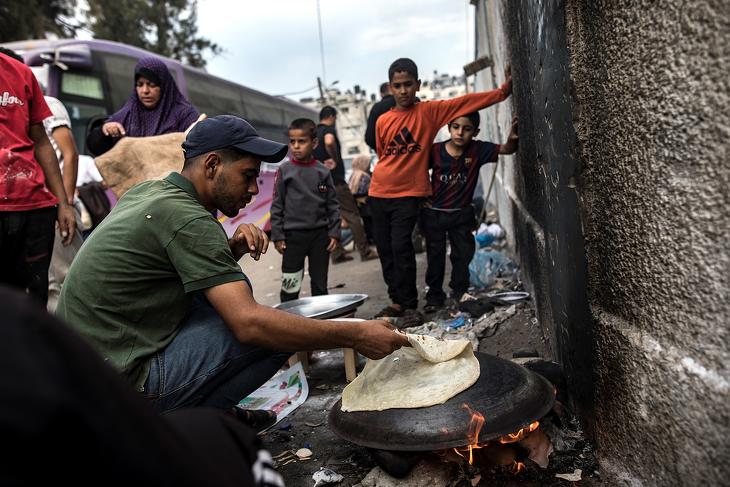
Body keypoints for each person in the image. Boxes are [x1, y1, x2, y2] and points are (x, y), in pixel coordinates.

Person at [57, 115, 409, 416]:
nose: (255, 189)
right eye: (247, 175)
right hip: (121, 388)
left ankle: (214, 417)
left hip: (82, 377)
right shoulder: (188, 219)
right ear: (211, 165)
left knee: (233, 302)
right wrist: (356, 333)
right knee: (276, 333)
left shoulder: (150, 193)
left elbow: (173, 272)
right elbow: (250, 326)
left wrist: (231, 249)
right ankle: (193, 426)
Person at [0, 285, 284, 487]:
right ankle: (220, 415)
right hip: (130, 399)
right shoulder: (13, 317)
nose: (251, 195)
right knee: (275, 336)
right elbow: (248, 321)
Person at [369, 57, 512, 326]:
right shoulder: (382, 120)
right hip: (379, 192)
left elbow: (467, 103)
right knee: (386, 250)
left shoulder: (429, 112)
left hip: (408, 195)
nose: (403, 91)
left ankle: (410, 304)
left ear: (418, 84)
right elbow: (382, 152)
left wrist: (502, 92)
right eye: (397, 86)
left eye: (408, 85)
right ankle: (396, 300)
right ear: (390, 87)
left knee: (402, 247)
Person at [0, 48, 76, 305]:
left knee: (34, 300)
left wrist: (63, 203)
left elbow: (42, 142)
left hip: (34, 208)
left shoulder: (20, 73)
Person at [422, 113, 518, 313]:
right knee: (435, 256)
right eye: (456, 127)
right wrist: (422, 196)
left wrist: (512, 138)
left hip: (462, 215)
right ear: (449, 128)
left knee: (462, 255)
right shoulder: (436, 151)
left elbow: (507, 149)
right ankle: (434, 296)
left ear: (475, 132)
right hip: (435, 214)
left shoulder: (478, 149)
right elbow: (417, 170)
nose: (460, 132)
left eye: (467, 129)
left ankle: (459, 291)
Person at [271, 118, 340, 302]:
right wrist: (278, 235)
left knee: (320, 284)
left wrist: (334, 232)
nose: (296, 146)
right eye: (292, 141)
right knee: (290, 284)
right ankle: (289, 324)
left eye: (301, 141)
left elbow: (332, 204)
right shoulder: (285, 171)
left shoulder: (322, 172)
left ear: (314, 143)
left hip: (320, 236)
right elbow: (277, 204)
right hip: (293, 237)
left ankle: (321, 325)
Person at [86, 56, 200, 155]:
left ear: (164, 86)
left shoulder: (184, 115)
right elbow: (95, 147)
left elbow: (197, 149)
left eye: (151, 85)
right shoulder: (127, 115)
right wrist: (104, 131)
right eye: (140, 85)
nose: (145, 91)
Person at [314, 106, 378, 264]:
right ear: (332, 116)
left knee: (331, 217)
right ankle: (365, 251)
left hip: (320, 182)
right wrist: (334, 158)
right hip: (335, 180)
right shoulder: (328, 130)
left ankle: (337, 253)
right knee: (353, 215)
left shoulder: (314, 133)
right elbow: (329, 141)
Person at [43, 95, 86, 313]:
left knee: (69, 278)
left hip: (58, 208)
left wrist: (65, 204)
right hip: (35, 210)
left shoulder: (48, 104)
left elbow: (70, 155)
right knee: (48, 284)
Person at [348, 154, 375, 243]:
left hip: (358, 205)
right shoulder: (364, 176)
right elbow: (365, 191)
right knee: (372, 223)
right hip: (367, 204)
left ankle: (369, 238)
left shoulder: (353, 175)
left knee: (366, 223)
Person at [364, 82, 396, 151]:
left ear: (381, 94)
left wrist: (381, 150)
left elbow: (369, 138)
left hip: (387, 155)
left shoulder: (377, 108)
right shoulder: (405, 103)